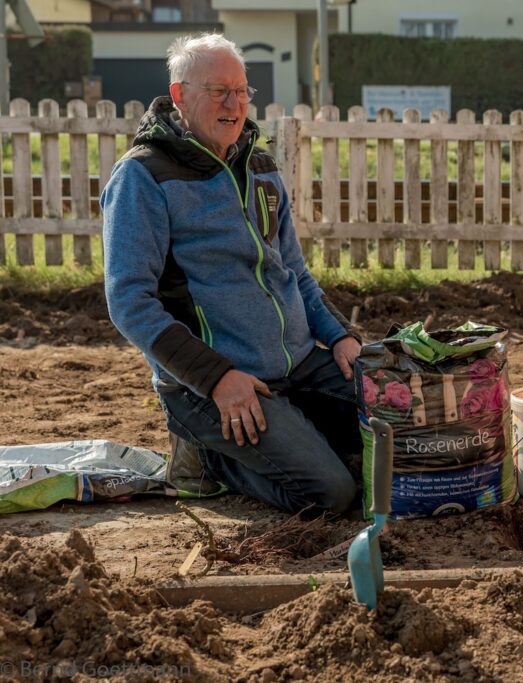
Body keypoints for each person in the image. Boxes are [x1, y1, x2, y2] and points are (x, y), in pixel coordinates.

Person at [101, 33, 363, 515]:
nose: (234, 104)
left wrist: (341, 335)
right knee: (333, 493)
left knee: (399, 423)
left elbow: (293, 270)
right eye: (218, 91)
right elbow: (129, 303)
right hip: (213, 382)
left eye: (241, 91)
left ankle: (296, 433)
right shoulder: (143, 176)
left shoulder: (259, 166)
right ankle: (206, 458)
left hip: (299, 364)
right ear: (180, 95)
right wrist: (217, 378)